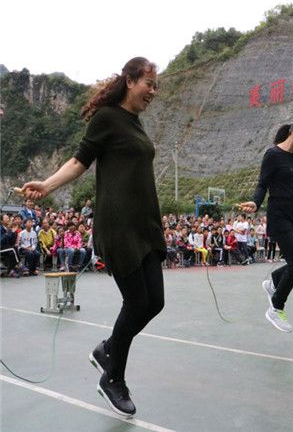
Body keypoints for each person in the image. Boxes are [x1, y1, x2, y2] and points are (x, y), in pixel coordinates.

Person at [20, 57, 166, 418]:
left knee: (155, 302)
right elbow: (79, 161)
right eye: (148, 83)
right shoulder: (107, 118)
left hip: (144, 224)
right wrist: (47, 185)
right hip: (119, 225)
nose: (152, 91)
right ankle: (113, 378)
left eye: (155, 85)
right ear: (130, 81)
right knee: (137, 302)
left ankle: (107, 349)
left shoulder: (135, 123)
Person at [239, 116, 293, 333]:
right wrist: (256, 203)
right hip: (279, 217)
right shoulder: (273, 155)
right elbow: (262, 185)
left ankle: (275, 280)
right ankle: (276, 307)